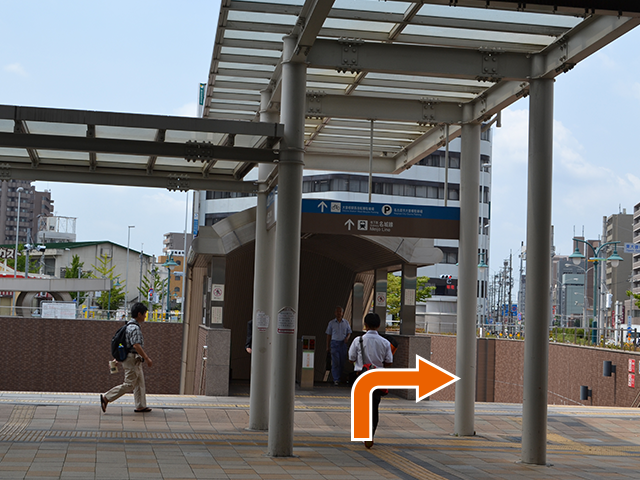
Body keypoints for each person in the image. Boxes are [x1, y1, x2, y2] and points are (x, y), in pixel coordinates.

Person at [348, 312, 393, 449]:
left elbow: (351, 357)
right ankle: (370, 434)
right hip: (377, 378)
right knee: (374, 407)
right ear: (379, 325)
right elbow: (389, 361)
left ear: (365, 325)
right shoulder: (385, 342)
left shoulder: (358, 340)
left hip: (361, 375)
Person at [100, 302, 153, 413]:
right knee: (129, 384)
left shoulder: (128, 326)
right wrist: (147, 358)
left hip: (133, 358)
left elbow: (124, 345)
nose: (145, 316)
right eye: (144, 314)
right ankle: (106, 398)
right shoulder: (134, 328)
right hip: (132, 359)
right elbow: (136, 345)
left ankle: (140, 405)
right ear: (139, 314)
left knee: (139, 383)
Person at [325, 306, 352, 386]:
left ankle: (340, 378)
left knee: (342, 362)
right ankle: (336, 379)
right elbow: (328, 335)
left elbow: (349, 332)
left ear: (342, 313)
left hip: (343, 344)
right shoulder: (331, 323)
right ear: (335, 313)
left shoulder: (346, 323)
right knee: (335, 362)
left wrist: (347, 338)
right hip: (334, 343)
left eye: (340, 312)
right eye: (337, 312)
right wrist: (328, 346)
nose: (339, 313)